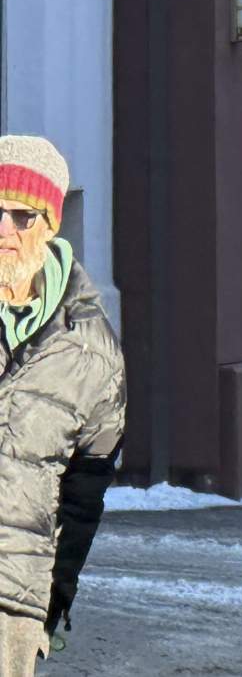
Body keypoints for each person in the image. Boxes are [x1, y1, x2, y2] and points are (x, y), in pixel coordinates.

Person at [0, 135, 125, 677]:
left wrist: (54, 598)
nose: (4, 229)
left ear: (49, 225)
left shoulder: (91, 349)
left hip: (11, 607)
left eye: (21, 216)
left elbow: (83, 494)